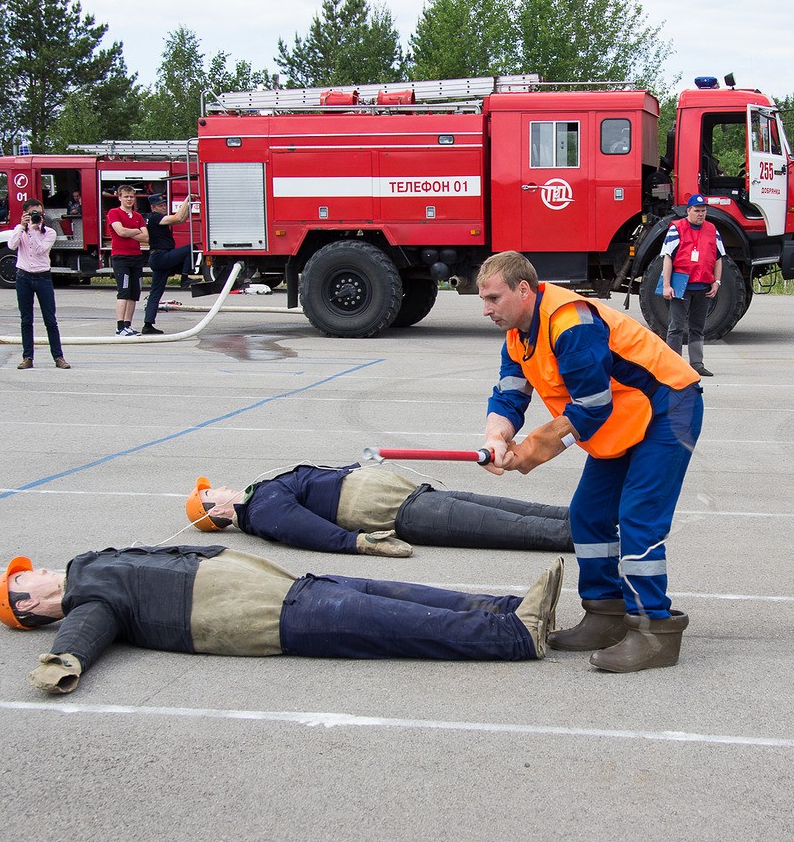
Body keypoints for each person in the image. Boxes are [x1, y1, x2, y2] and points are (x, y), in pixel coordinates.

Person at [477, 251, 703, 674]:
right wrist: (496, 437)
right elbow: (509, 396)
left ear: (523, 290)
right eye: (483, 299)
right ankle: (606, 614)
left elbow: (593, 406)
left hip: (669, 406)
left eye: (493, 298)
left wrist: (533, 450)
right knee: (589, 514)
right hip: (628, 414)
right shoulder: (517, 333)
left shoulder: (570, 323)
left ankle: (655, 630)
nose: (486, 309)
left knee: (639, 516)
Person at [0, 547, 563, 694]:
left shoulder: (87, 565)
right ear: (29, 606)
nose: (33, 571)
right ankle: (516, 636)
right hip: (262, 616)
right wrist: (62, 660)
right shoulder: (87, 603)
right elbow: (82, 635)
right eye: (24, 580)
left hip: (271, 583)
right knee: (391, 621)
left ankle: (505, 607)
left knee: (396, 592)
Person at [188, 462, 572, 557]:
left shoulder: (261, 496)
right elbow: (301, 527)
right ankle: (613, 542)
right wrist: (355, 542)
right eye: (211, 492)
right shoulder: (261, 508)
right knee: (524, 528)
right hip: (401, 511)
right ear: (216, 511)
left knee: (531, 510)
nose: (218, 486)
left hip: (410, 495)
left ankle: (607, 522)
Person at [659, 193, 725, 376]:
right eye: (697, 210)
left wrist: (717, 282)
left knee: (697, 328)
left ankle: (696, 364)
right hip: (682, 286)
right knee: (676, 327)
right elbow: (668, 257)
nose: (701, 214)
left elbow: (719, 258)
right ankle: (674, 366)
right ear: (688, 211)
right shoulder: (676, 229)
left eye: (703, 210)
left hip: (703, 286)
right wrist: (666, 285)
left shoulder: (712, 230)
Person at [7, 198, 69, 370]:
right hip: (24, 277)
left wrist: (34, 230)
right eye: (32, 213)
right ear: (25, 214)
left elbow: (40, 250)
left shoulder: (49, 232)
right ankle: (28, 357)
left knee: (50, 320)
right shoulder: (19, 231)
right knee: (26, 320)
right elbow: (11, 246)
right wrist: (22, 227)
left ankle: (58, 357)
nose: (36, 216)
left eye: (39, 213)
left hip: (43, 278)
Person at [140, 193, 196, 334]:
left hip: (159, 258)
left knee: (156, 293)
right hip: (161, 256)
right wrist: (187, 199)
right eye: (160, 205)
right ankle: (184, 277)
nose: (163, 207)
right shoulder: (154, 217)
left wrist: (190, 204)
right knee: (191, 248)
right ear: (153, 207)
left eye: (165, 204)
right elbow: (177, 218)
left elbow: (181, 219)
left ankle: (148, 325)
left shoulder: (153, 218)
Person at [106, 185, 147, 336]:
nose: (129, 199)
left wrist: (131, 232)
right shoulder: (114, 213)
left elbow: (146, 237)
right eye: (126, 196)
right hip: (121, 257)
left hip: (136, 257)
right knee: (123, 291)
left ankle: (128, 325)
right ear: (119, 197)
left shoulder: (138, 216)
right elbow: (120, 231)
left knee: (134, 293)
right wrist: (136, 231)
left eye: (131, 196)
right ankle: (120, 326)